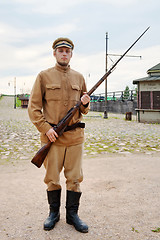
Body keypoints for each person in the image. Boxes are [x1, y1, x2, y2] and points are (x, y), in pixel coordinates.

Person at [28, 37, 90, 233]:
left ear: (71, 54)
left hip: (74, 138)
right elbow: (34, 108)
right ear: (54, 53)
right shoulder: (43, 76)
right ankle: (53, 214)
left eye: (67, 51)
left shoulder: (79, 78)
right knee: (52, 178)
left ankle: (72, 215)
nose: (64, 53)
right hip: (52, 138)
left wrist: (86, 103)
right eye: (60, 50)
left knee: (74, 178)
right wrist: (46, 129)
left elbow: (84, 109)